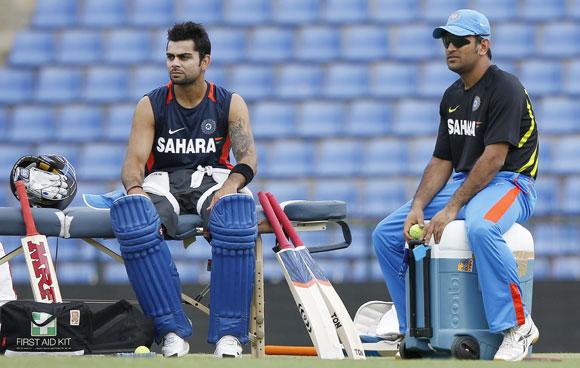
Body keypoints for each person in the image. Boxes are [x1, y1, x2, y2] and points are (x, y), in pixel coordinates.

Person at [372, 9, 539, 361]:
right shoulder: (452, 96)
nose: (450, 47)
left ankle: (517, 325)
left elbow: (494, 159)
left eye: (460, 41)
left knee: (481, 226)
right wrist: (418, 205)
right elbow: (441, 161)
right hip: (469, 182)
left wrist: (450, 209)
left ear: (483, 45)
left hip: (511, 182)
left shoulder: (505, 87)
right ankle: (414, 324)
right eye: (446, 40)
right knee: (386, 234)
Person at [112, 22, 258, 358]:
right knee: (133, 215)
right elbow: (133, 163)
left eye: (183, 56)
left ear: (205, 61)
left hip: (213, 178)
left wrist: (232, 186)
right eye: (169, 56)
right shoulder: (151, 104)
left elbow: (247, 157)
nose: (174, 63)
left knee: (235, 211)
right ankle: (171, 332)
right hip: (163, 180)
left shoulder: (228, 102)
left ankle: (229, 337)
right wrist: (134, 189)